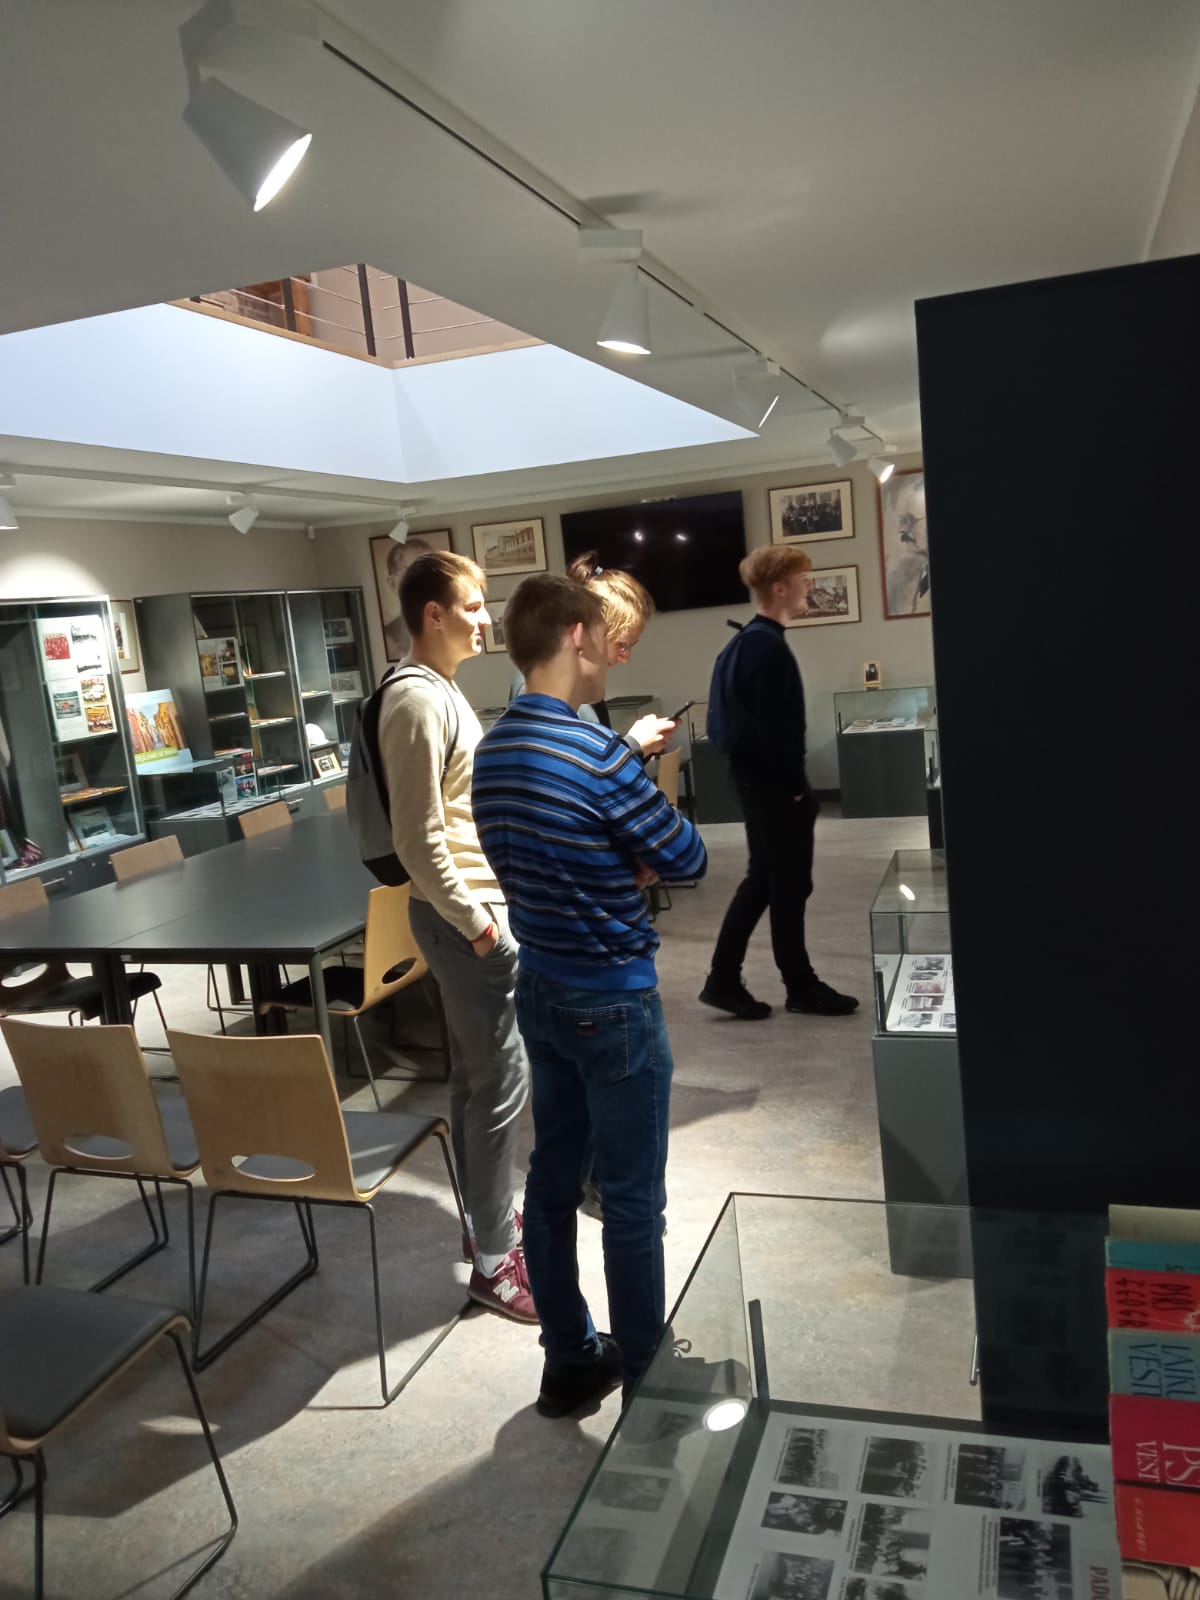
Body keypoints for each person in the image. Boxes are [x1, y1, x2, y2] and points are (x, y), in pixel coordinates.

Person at [473, 574, 707, 1416]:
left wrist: (611, 862)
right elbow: (688, 857)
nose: (613, 650)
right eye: (606, 637)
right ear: (576, 635)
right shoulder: (598, 753)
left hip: (540, 986)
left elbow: (532, 859)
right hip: (613, 999)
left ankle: (569, 1358)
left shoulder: (494, 749)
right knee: (635, 1200)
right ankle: (649, 1374)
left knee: (551, 1180)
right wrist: (626, 862)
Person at [377, 549, 535, 1321]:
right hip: (462, 919)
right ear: (432, 614)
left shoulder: (439, 690)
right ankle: (496, 1264)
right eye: (472, 605)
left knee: (479, 1082)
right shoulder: (416, 699)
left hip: (466, 914)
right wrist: (478, 925)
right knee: (500, 1085)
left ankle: (490, 1228)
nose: (485, 618)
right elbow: (418, 837)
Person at [700, 544, 858, 1020]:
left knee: (771, 881)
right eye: (803, 578)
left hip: (756, 783)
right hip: (773, 788)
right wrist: (795, 790)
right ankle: (793, 986)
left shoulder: (749, 641)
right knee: (782, 884)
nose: (810, 585)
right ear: (779, 587)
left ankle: (733, 979)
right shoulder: (765, 646)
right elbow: (777, 732)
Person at [508, 553, 676, 759]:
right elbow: (565, 767)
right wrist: (634, 746)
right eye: (622, 644)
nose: (625, 658)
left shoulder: (587, 690)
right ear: (586, 634)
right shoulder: (536, 687)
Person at [379, 532, 450, 661]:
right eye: (411, 573)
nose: (424, 582)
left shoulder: (454, 624)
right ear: (393, 584)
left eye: (430, 572)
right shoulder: (389, 637)